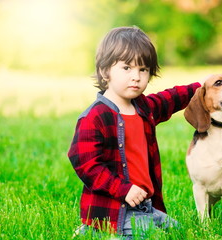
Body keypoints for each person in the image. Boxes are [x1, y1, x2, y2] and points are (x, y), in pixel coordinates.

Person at [68, 26, 201, 239]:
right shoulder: (95, 117)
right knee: (150, 236)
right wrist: (123, 189)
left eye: (143, 69)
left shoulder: (143, 108)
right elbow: (86, 165)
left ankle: (95, 231)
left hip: (145, 206)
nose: (136, 77)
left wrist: (203, 88)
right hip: (115, 208)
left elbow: (170, 98)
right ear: (105, 72)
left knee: (178, 232)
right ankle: (97, 228)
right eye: (127, 68)